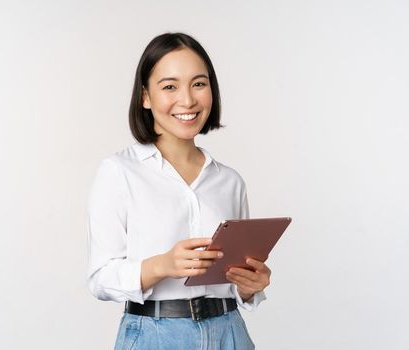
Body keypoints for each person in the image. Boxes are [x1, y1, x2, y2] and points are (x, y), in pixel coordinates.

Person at [86, 32, 271, 350]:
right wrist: (161, 266)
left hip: (230, 333)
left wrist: (251, 286)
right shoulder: (119, 172)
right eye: (169, 86)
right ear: (145, 96)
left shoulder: (230, 181)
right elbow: (100, 278)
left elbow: (236, 276)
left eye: (199, 84)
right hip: (155, 335)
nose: (187, 100)